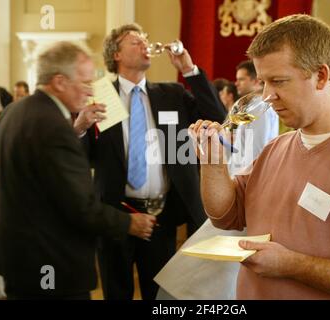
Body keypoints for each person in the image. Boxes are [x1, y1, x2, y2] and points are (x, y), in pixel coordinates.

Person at [189, 14, 330, 299]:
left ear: (321, 76)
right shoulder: (277, 148)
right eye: (262, 82)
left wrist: (292, 265)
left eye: (279, 81)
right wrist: (213, 160)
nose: (267, 96)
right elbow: (225, 215)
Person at [0, 41, 156, 300]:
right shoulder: (55, 126)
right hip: (51, 260)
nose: (89, 92)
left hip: (16, 258)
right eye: (85, 83)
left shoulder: (12, 112)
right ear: (60, 81)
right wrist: (129, 222)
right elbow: (80, 206)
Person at [74, 23, 226, 300]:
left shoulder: (171, 94)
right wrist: (80, 127)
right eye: (135, 41)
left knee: (158, 297)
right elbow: (80, 157)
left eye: (145, 39)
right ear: (116, 54)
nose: (145, 44)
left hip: (161, 218)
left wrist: (189, 70)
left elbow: (217, 117)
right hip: (115, 217)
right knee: (116, 292)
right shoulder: (101, 96)